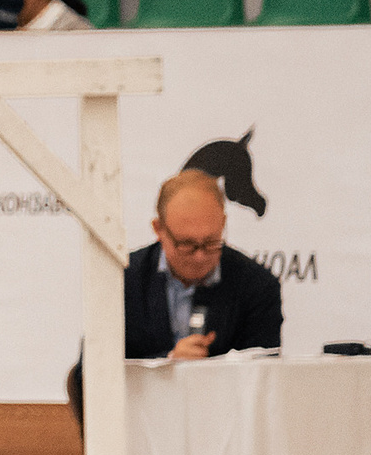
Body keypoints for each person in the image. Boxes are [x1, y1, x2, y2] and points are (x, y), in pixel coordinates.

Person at [68, 169, 283, 424]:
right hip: (141, 428)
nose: (200, 256)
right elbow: (89, 374)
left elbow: (264, 381)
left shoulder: (257, 286)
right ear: (159, 230)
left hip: (225, 428)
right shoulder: (122, 282)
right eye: (187, 245)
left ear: (223, 223)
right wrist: (167, 364)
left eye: (212, 242)